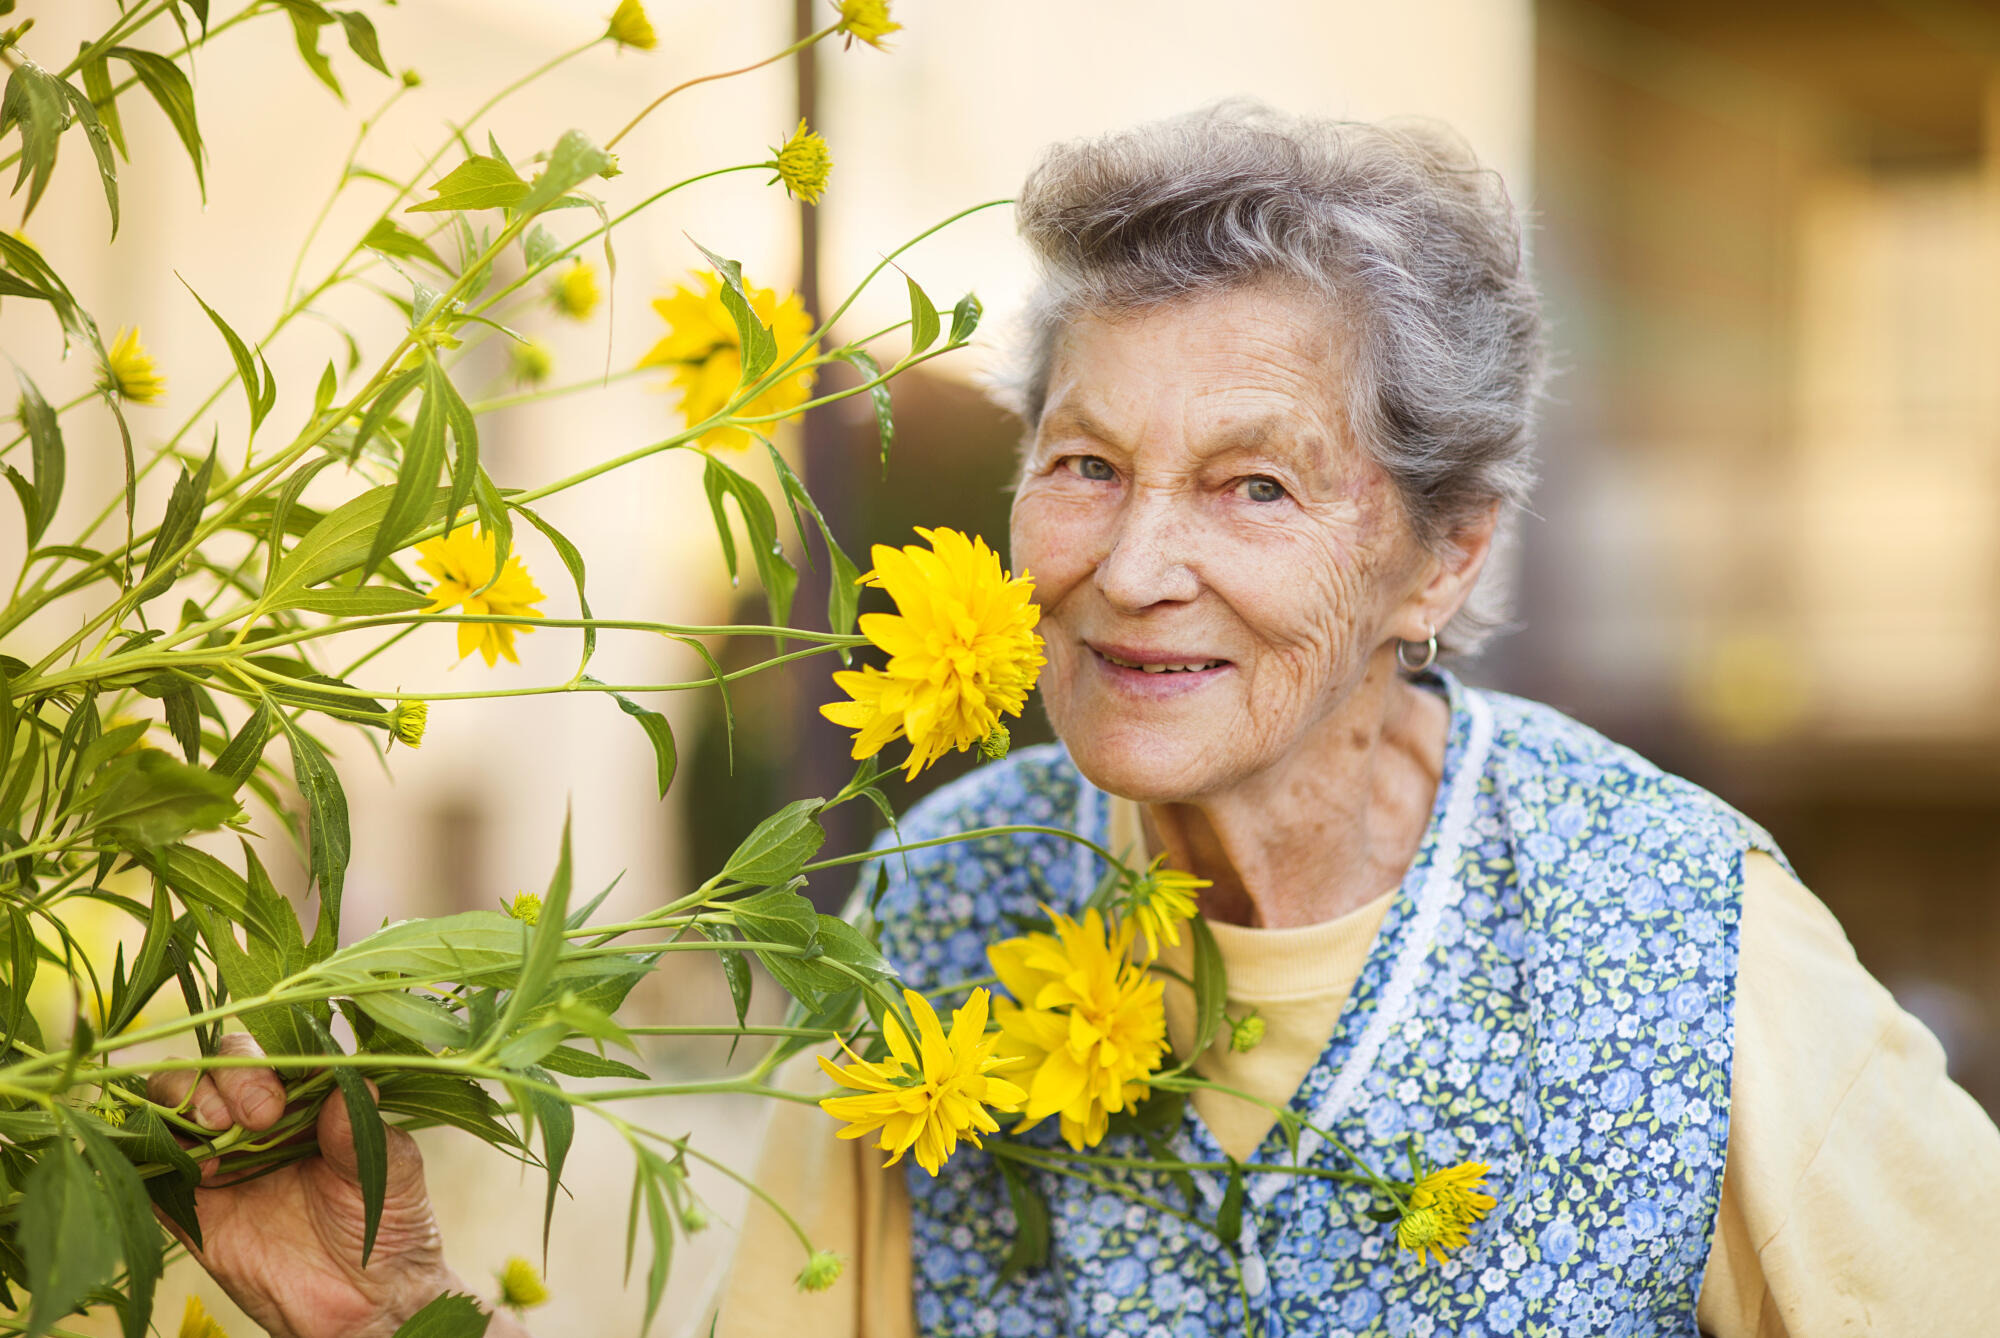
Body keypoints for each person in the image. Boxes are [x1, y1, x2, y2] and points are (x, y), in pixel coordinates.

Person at [162, 103, 2000, 1337]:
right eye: (1087, 466)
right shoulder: (942, 901)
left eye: (1255, 488)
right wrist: (377, 1308)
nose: (1132, 566)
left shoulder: (1687, 933)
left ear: (1443, 555)